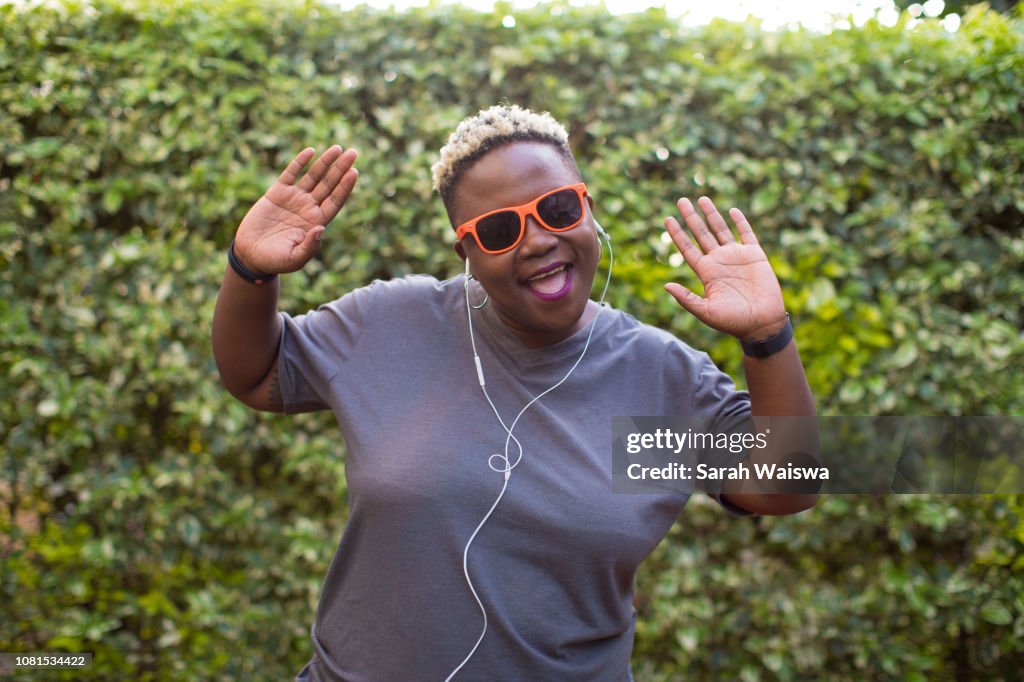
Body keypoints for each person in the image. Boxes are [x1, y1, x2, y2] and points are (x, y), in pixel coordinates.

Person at [212, 105, 817, 681]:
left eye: (556, 208)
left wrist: (767, 336)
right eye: (500, 229)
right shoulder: (394, 325)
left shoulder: (655, 378)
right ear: (467, 252)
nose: (536, 240)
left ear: (587, 210)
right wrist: (250, 269)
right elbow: (258, 374)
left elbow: (785, 487)